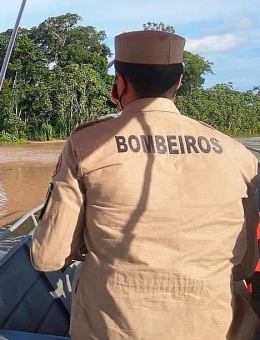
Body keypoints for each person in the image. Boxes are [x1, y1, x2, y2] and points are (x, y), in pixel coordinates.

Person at [30, 30, 260, 339]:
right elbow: (245, 267)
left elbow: (48, 257)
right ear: (178, 83)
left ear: (120, 83)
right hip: (213, 329)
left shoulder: (86, 144)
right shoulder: (238, 154)